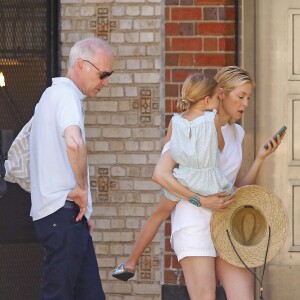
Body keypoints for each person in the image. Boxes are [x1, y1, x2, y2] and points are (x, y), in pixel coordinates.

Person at [112, 66, 285, 300]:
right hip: (194, 223)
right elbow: (163, 174)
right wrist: (200, 199)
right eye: (241, 96)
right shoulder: (191, 127)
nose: (245, 103)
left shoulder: (237, 133)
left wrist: (260, 158)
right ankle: (130, 262)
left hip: (227, 226)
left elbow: (239, 187)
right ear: (220, 94)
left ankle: (130, 262)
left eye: (248, 98)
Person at [112, 71, 235, 281]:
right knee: (231, 201)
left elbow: (167, 145)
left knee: (158, 214)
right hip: (207, 180)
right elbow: (220, 146)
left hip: (183, 179)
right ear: (207, 100)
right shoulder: (212, 118)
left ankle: (131, 262)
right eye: (216, 98)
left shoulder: (175, 121)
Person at [30, 37, 113, 300]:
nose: (106, 82)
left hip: (65, 217)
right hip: (62, 215)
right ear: (81, 65)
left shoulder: (50, 96)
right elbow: (74, 143)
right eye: (103, 74)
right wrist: (82, 190)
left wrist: (82, 209)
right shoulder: (65, 96)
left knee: (89, 295)